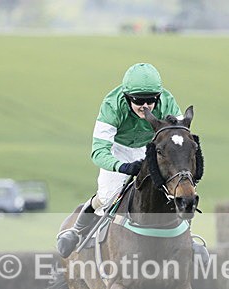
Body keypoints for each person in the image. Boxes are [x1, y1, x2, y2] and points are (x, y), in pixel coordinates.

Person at [56, 63, 182, 258]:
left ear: (158, 96)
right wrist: (122, 166)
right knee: (109, 195)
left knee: (176, 191)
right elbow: (98, 152)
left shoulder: (168, 102)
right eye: (139, 100)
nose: (145, 106)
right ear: (126, 97)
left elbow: (178, 140)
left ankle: (188, 241)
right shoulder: (111, 106)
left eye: (150, 100)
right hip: (117, 149)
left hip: (150, 146)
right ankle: (78, 228)